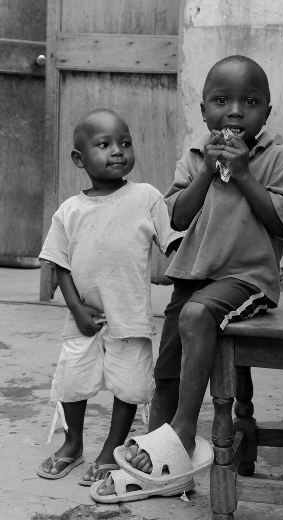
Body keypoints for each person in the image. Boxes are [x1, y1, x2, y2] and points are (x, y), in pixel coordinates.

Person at [94, 55, 283, 501]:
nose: (235, 112)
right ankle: (160, 466)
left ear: (267, 111)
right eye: (221, 101)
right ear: (203, 109)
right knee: (167, 368)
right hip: (193, 274)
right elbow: (177, 217)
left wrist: (243, 174)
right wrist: (208, 170)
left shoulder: (275, 159)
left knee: (195, 315)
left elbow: (280, 225)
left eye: (250, 102)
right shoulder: (192, 159)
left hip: (247, 279)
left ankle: (183, 434)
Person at [37, 109, 183, 486]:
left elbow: (174, 244)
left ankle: (111, 449)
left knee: (129, 384)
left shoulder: (147, 197)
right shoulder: (69, 211)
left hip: (129, 316)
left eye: (125, 143)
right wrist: (76, 308)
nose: (117, 151)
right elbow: (59, 265)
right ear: (79, 158)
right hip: (83, 317)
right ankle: (72, 443)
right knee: (72, 381)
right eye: (104, 145)